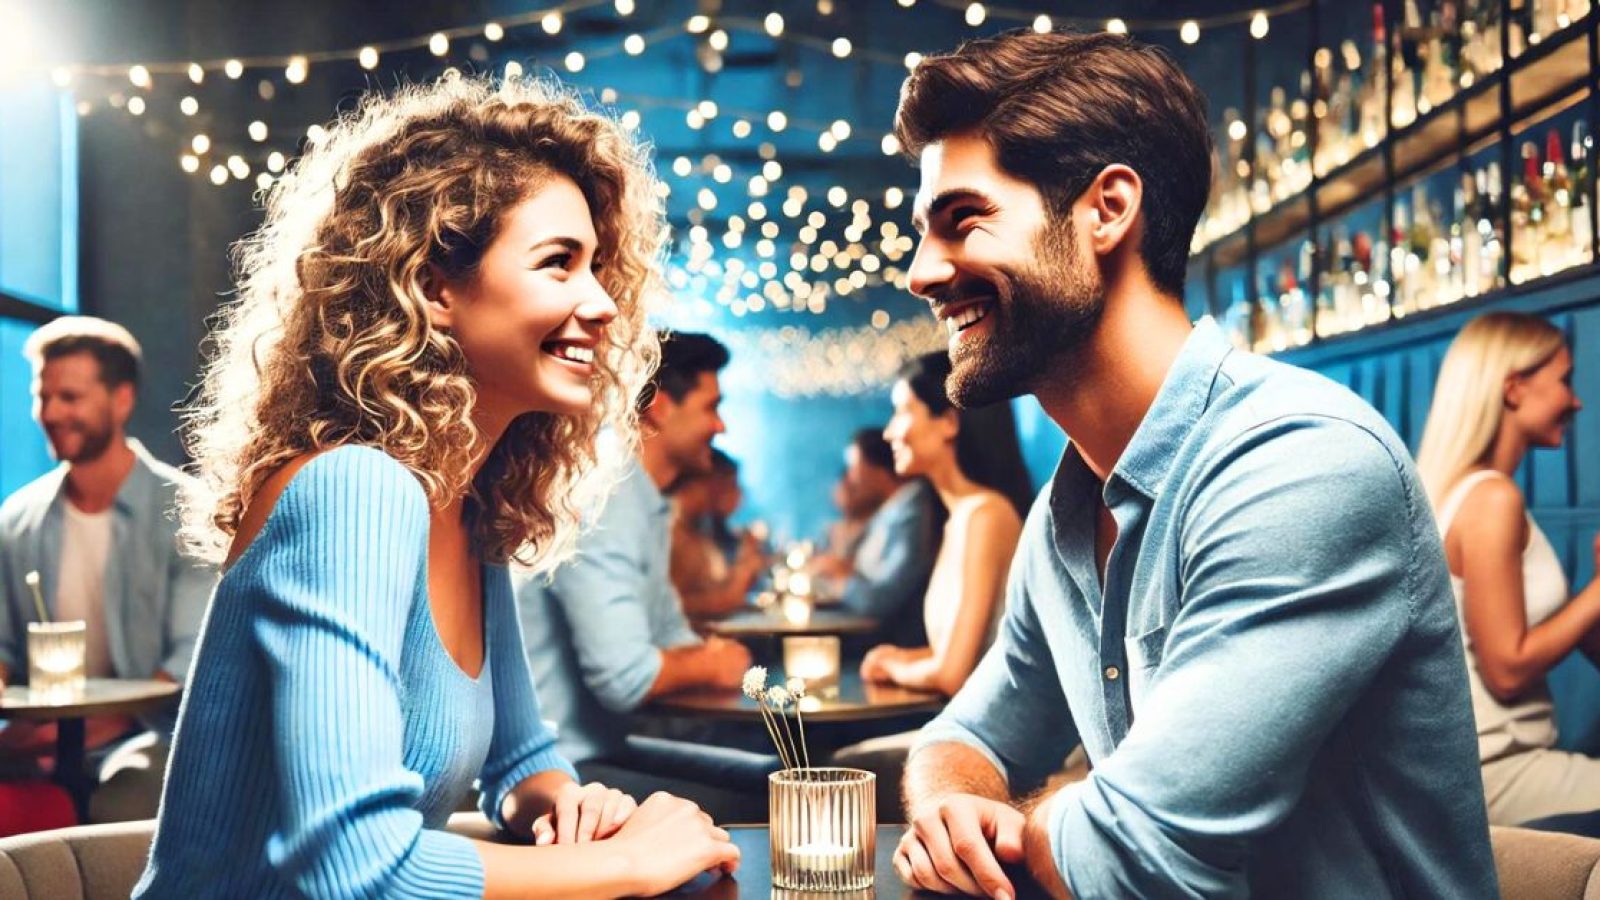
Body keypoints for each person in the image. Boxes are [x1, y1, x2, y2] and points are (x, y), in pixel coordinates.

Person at [889, 29, 1494, 898]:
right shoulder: (1068, 507)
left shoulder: (1302, 466)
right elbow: (963, 739)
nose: (921, 272)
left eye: (964, 219)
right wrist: (956, 807)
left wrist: (1049, 809)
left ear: (1107, 210)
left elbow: (1139, 861)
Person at [134, 76, 738, 898]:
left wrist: (570, 806)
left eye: (598, 266)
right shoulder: (354, 489)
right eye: (559, 262)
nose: (601, 303)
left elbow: (520, 759)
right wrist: (627, 862)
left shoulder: (468, 498)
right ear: (432, 288)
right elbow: (354, 866)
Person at [518, 331, 773, 823]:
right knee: (776, 798)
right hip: (564, 771)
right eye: (710, 407)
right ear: (658, 406)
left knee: (780, 775)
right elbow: (625, 678)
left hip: (606, 747)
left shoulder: (641, 499)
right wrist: (710, 663)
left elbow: (669, 635)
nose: (720, 426)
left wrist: (708, 657)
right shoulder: (604, 498)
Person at [0, 315, 212, 822]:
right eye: (42, 396)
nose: (50, 412)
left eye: (69, 397)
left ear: (121, 399)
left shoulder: (187, 511)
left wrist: (82, 729)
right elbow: (3, 648)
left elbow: (190, 660)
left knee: (127, 797)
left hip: (154, 733)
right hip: (43, 735)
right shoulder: (17, 520)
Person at [1416, 311, 1600, 833]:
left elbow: (1552, 635)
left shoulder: (1459, 493)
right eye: (1564, 380)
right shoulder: (1493, 499)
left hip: (1481, 776)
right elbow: (1508, 667)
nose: (1577, 401)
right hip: (1501, 777)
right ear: (1514, 388)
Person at [860, 351, 1029, 697]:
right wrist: (901, 657)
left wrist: (893, 665)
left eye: (903, 412)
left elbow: (952, 675)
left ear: (949, 423)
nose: (890, 432)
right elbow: (966, 653)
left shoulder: (986, 515)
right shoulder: (959, 517)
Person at [813, 427, 939, 644]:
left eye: (854, 468)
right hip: (875, 636)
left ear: (877, 470)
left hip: (892, 643)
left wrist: (841, 581)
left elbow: (881, 601)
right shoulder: (890, 513)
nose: (850, 479)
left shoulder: (911, 514)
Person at [669, 448, 765, 618]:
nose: (737, 494)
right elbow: (669, 607)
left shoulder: (700, 527)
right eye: (730, 484)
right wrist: (744, 571)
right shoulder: (671, 530)